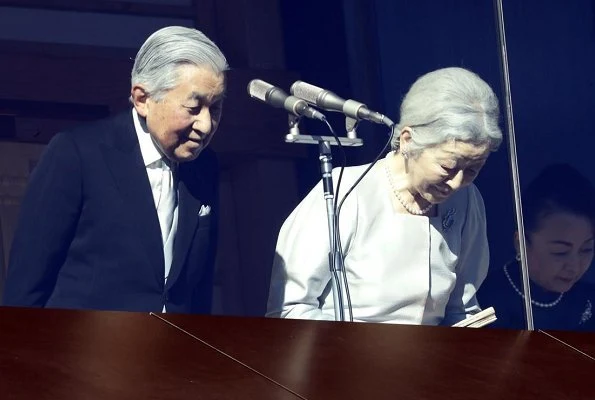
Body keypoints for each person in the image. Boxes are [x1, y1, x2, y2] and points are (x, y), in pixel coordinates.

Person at [2, 26, 228, 313]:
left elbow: (199, 292)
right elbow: (26, 288)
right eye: (193, 108)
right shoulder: (77, 154)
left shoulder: (205, 166)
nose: (206, 125)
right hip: (79, 351)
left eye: (216, 108)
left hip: (172, 353)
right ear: (143, 99)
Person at [267, 67, 502, 325]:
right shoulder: (344, 192)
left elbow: (462, 309)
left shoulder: (466, 200)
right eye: (447, 166)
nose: (457, 183)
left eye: (472, 170)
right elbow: (290, 309)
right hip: (343, 357)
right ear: (408, 139)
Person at [478, 164, 595, 331]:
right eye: (560, 252)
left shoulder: (587, 298)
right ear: (521, 243)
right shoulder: (488, 301)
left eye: (586, 249)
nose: (574, 266)